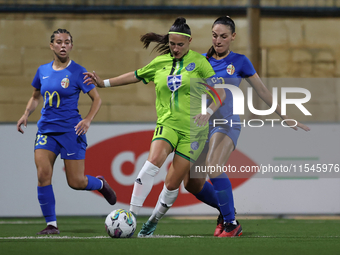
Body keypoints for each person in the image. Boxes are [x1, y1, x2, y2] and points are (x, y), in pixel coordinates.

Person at [83, 17, 226, 237]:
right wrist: (105, 83)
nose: (175, 48)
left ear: (189, 42)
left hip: (193, 131)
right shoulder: (160, 62)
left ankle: (152, 221)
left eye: (180, 44)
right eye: (172, 44)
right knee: (151, 164)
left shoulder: (200, 63)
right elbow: (135, 75)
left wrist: (207, 113)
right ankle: (131, 216)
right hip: (167, 124)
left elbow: (221, 93)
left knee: (172, 183)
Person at [183, 16, 311, 237]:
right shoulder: (200, 60)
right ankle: (226, 212)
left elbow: (262, 92)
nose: (218, 40)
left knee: (214, 167)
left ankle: (232, 224)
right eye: (215, 35)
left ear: (233, 36)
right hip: (202, 126)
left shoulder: (240, 62)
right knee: (191, 183)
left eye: (224, 36)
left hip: (226, 123)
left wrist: (284, 116)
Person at [16, 28, 117, 235]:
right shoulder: (42, 70)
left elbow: (97, 99)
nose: (63, 45)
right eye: (59, 42)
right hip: (46, 131)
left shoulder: (79, 72)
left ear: (71, 46)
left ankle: (99, 183)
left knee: (76, 182)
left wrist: (88, 120)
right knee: (43, 174)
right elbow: (36, 95)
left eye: (67, 42)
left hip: (71, 132)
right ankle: (51, 225)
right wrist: (26, 114)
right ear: (51, 45)